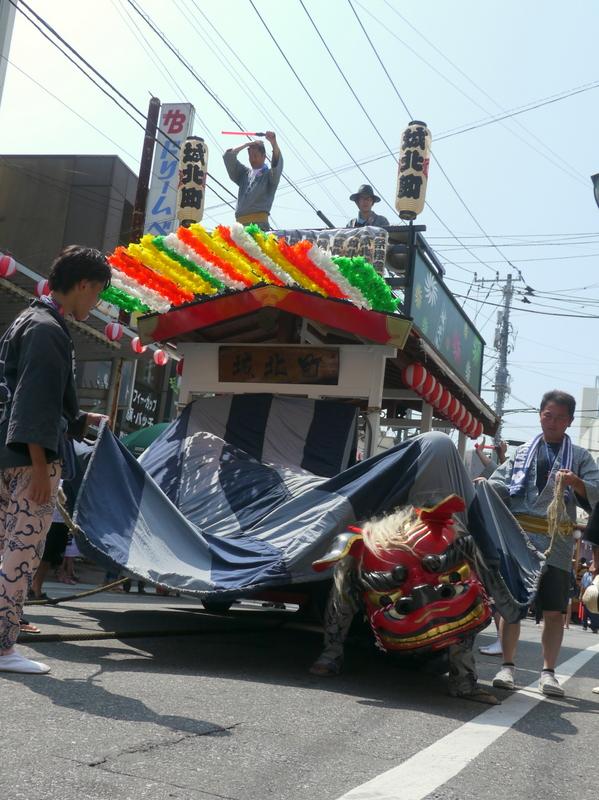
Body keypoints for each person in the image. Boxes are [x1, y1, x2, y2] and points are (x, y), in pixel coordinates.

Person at [0, 245, 111, 674]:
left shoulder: (27, 320)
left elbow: (19, 393)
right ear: (84, 284)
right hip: (29, 460)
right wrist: (43, 467)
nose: (96, 302)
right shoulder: (49, 328)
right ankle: (4, 647)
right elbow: (36, 400)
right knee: (21, 555)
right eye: (97, 293)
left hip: (5, 455)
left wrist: (80, 419)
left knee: (5, 550)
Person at [484, 390, 599, 697]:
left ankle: (548, 673)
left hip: (558, 542)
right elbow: (498, 484)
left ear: (570, 421)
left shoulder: (581, 457)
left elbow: (597, 492)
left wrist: (576, 482)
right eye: (548, 415)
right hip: (520, 539)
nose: (553, 421)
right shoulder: (521, 454)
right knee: (513, 606)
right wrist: (485, 484)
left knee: (553, 611)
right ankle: (507, 666)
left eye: (560, 417)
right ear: (540, 415)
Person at [223, 132, 283, 230]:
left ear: (264, 156)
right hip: (240, 227)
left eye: (255, 155)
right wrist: (247, 144)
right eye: (250, 155)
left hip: (259, 226)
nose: (252, 159)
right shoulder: (244, 174)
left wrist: (273, 142)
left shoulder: (269, 175)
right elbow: (228, 156)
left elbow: (276, 163)